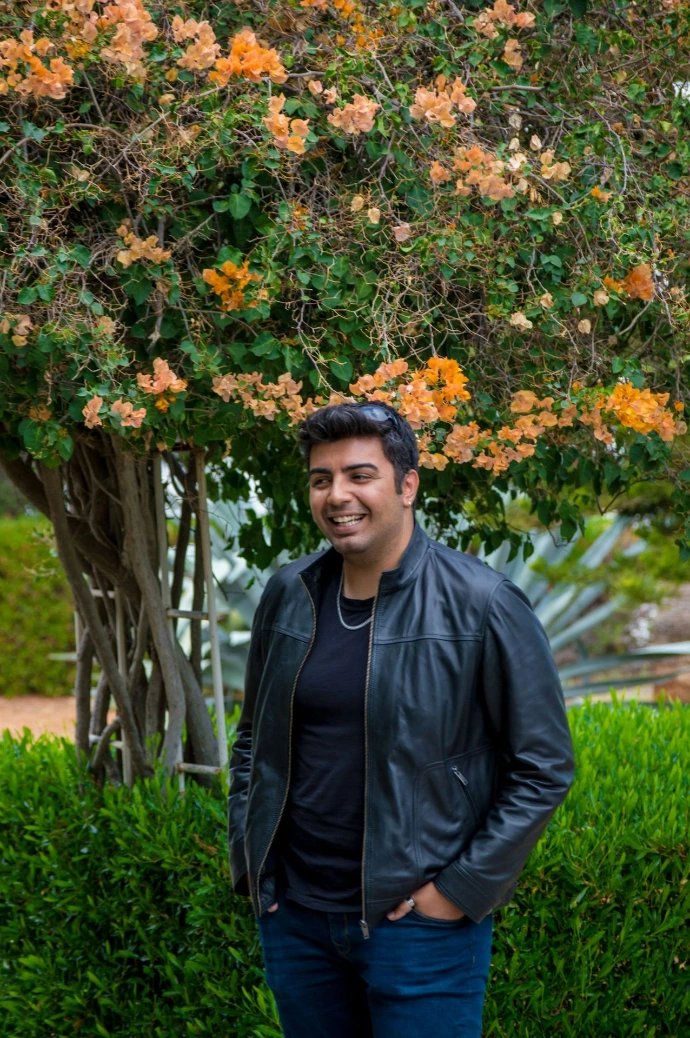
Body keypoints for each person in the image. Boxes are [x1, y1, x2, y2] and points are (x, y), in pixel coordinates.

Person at [227, 400, 575, 1038]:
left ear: (407, 484)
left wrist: (457, 892)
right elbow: (255, 739)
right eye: (321, 478)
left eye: (360, 475)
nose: (338, 496)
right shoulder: (289, 592)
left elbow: (544, 766)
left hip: (417, 928)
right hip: (297, 919)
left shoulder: (483, 603)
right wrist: (253, 866)